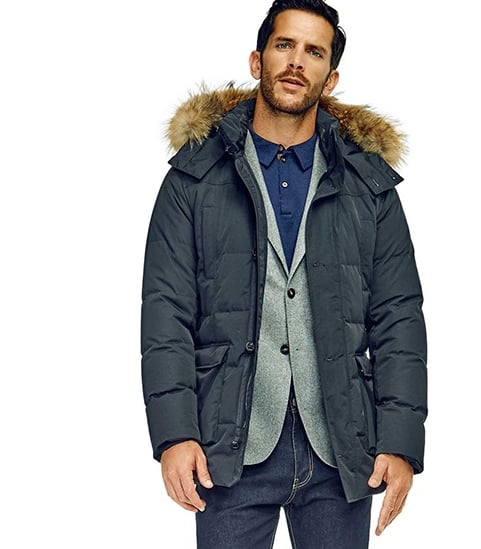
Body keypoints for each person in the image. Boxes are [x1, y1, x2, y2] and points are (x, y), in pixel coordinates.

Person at [140, 1, 427, 547]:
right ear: (257, 60)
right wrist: (175, 434)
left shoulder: (368, 184)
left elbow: (398, 316)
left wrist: (400, 441)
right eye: (284, 45)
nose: (297, 61)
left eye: (314, 52)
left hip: (341, 449)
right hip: (228, 449)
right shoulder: (194, 178)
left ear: (330, 77)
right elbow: (166, 312)